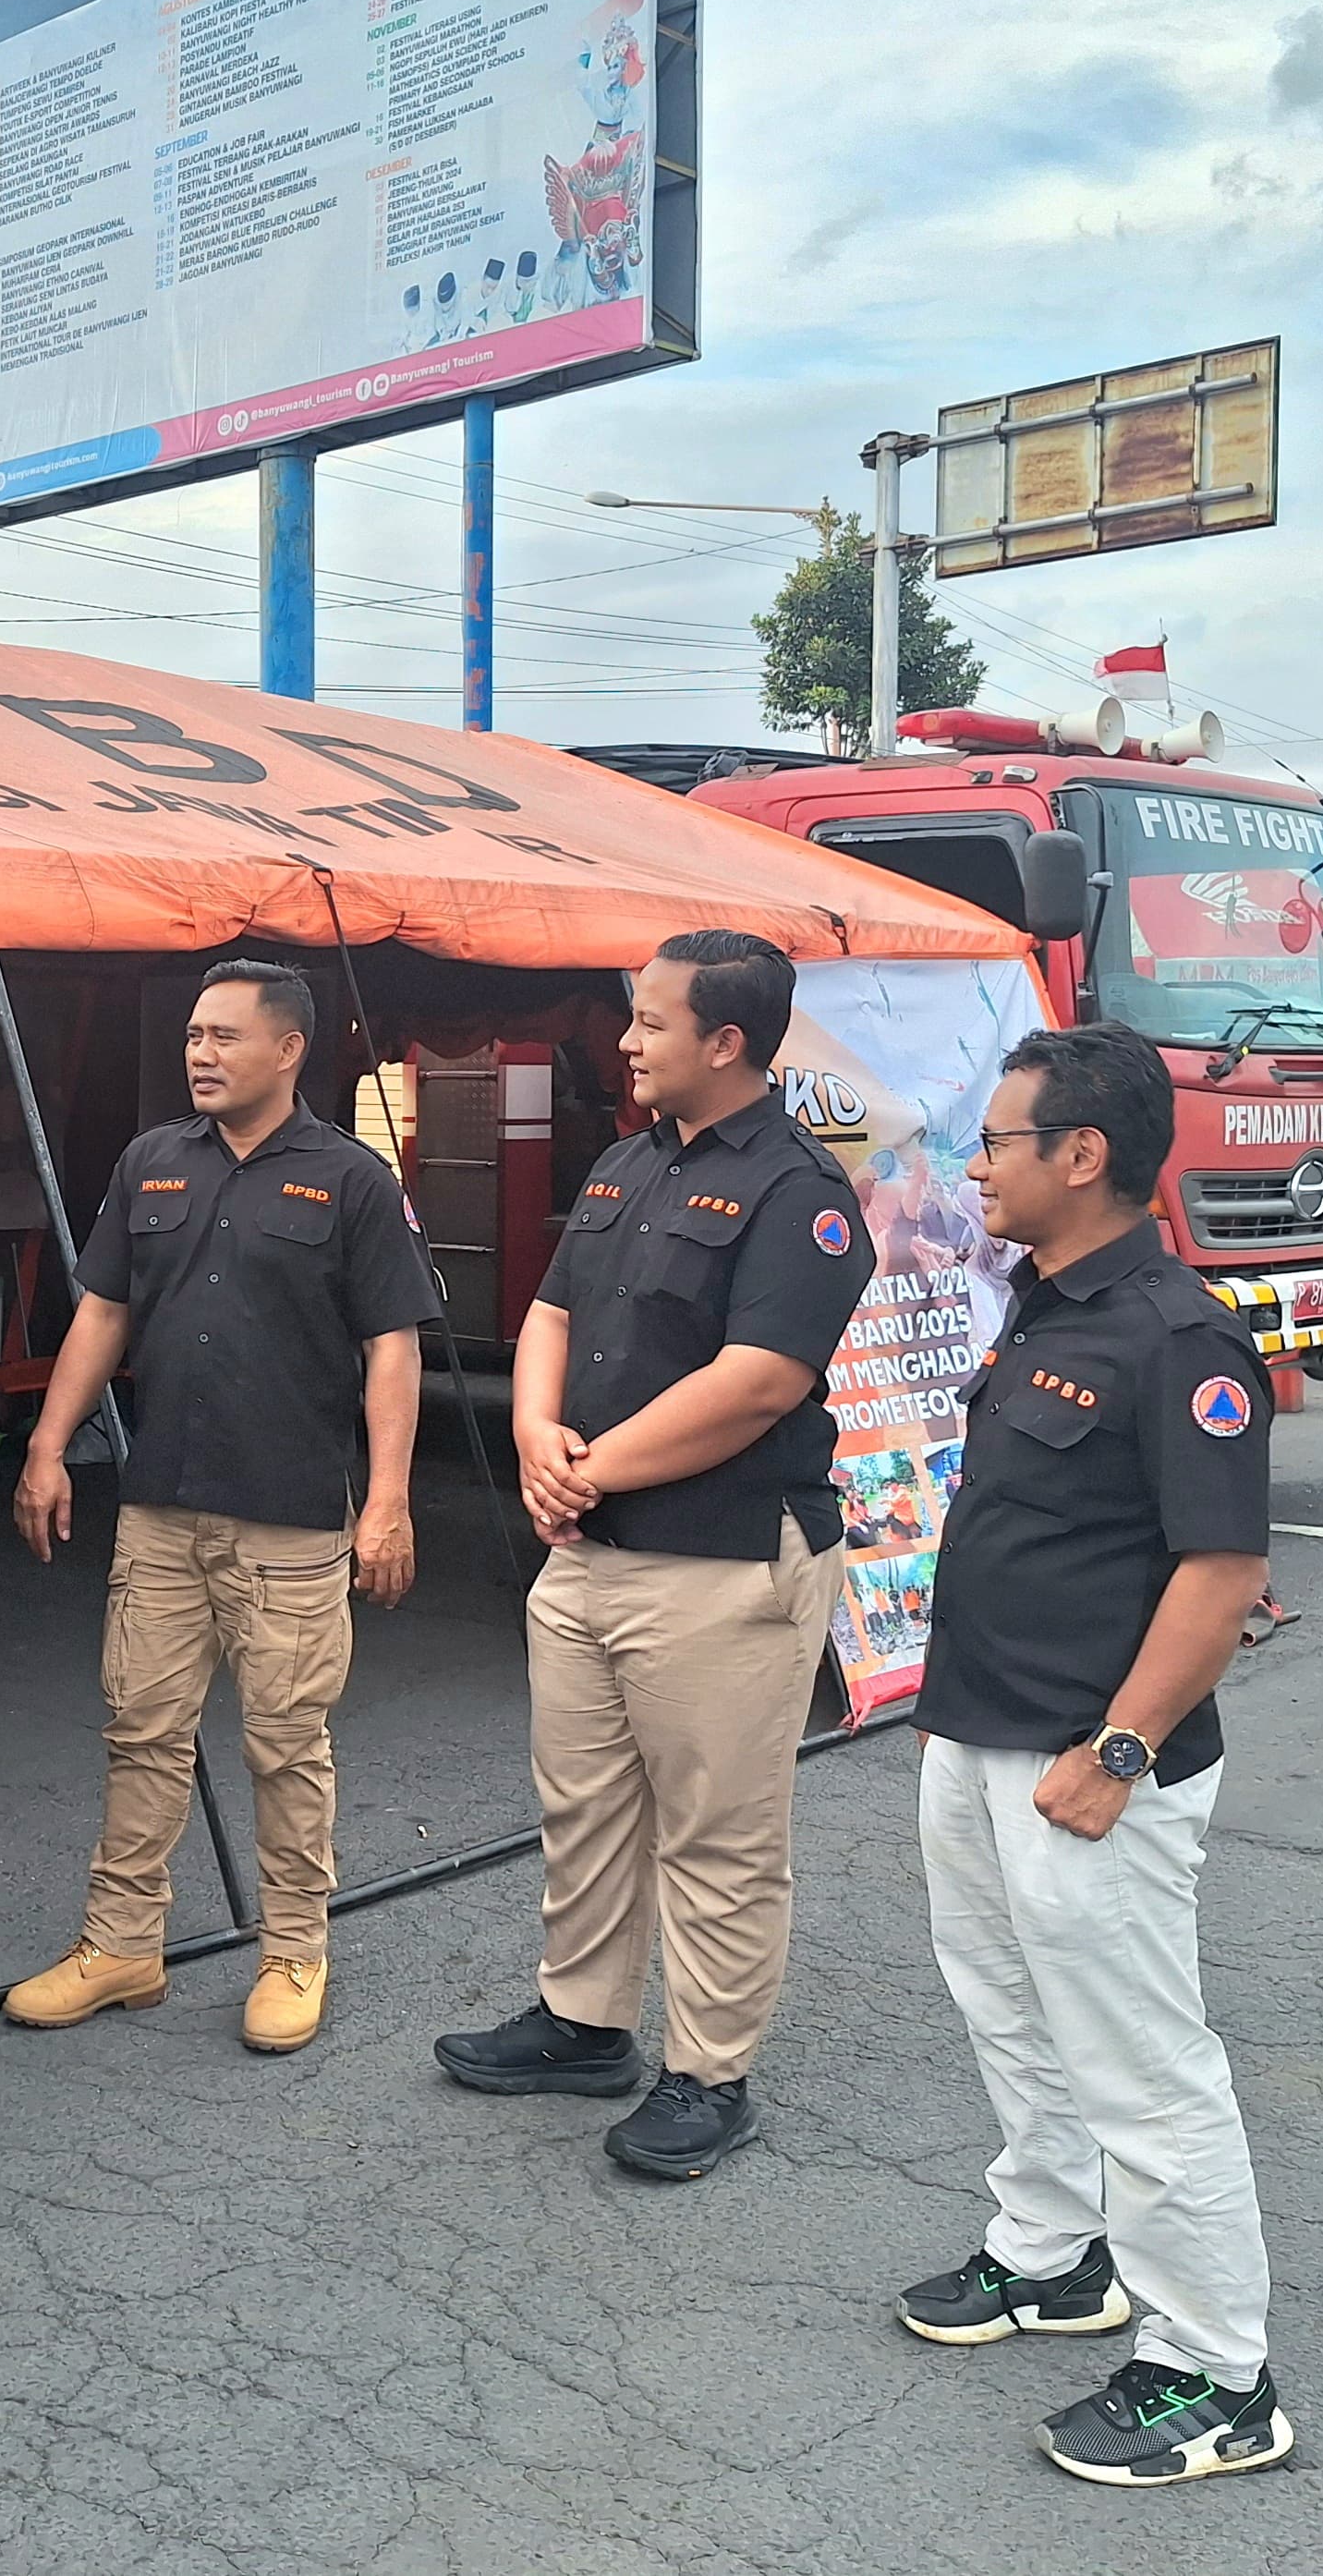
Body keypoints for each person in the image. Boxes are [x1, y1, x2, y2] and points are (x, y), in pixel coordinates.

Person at [893, 1023, 1293, 2486]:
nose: (977, 1163)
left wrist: (1117, 1751)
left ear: (1083, 1156)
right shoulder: (1046, 1301)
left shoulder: (1175, 1333)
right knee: (1009, 2013)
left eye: (998, 1140)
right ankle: (1056, 2255)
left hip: (1089, 1768)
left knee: (1143, 2065)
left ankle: (1214, 2372)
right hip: (981, 1734)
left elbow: (1221, 1566)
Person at [435, 930, 877, 2181]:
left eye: (647, 1022)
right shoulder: (631, 1164)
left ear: (725, 1042)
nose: (624, 1043)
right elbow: (554, 1313)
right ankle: (584, 2023)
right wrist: (531, 1433)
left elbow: (758, 1384)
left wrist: (585, 1467)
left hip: (722, 1563)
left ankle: (708, 2072)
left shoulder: (800, 1195)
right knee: (584, 1811)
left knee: (719, 1836)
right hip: (592, 1552)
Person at [3, 959, 435, 2054]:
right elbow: (102, 1313)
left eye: (225, 1036)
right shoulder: (153, 1162)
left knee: (286, 1744)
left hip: (291, 1517)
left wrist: (387, 1501)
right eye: (193, 1034)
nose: (200, 1053)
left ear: (289, 1049)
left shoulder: (350, 1180)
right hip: (162, 1507)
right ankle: (122, 1947)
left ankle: (294, 1952)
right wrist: (49, 1447)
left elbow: (393, 1351)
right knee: (140, 1730)